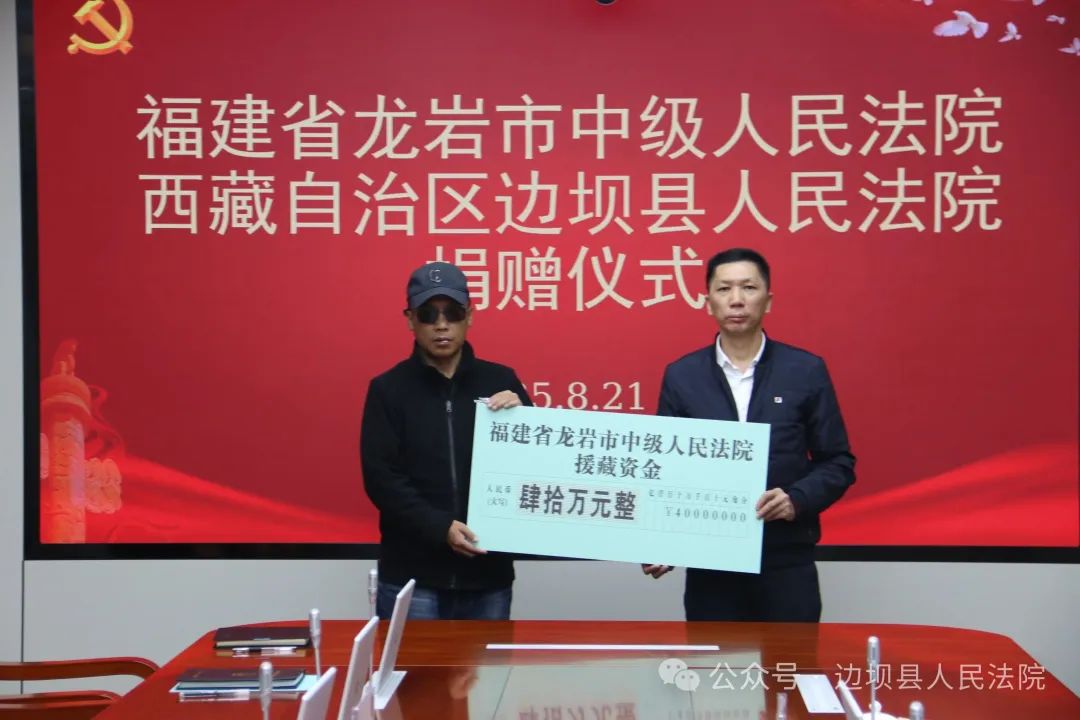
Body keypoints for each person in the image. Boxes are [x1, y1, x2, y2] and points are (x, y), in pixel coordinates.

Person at [643, 248, 855, 622]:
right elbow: (664, 471)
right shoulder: (682, 376)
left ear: (767, 300)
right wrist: (663, 541)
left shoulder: (804, 370)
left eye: (749, 287)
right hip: (711, 563)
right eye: (724, 289)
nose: (737, 299)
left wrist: (797, 499)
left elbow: (837, 462)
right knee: (717, 660)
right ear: (708, 302)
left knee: (791, 660)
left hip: (786, 560)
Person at [361, 261, 531, 620]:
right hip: (412, 578)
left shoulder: (501, 382)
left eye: (452, 313)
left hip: (488, 576)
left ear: (469, 316)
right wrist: (440, 528)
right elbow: (382, 480)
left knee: (487, 662)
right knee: (412, 662)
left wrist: (524, 418)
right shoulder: (388, 389)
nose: (441, 325)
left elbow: (533, 469)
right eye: (428, 314)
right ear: (410, 320)